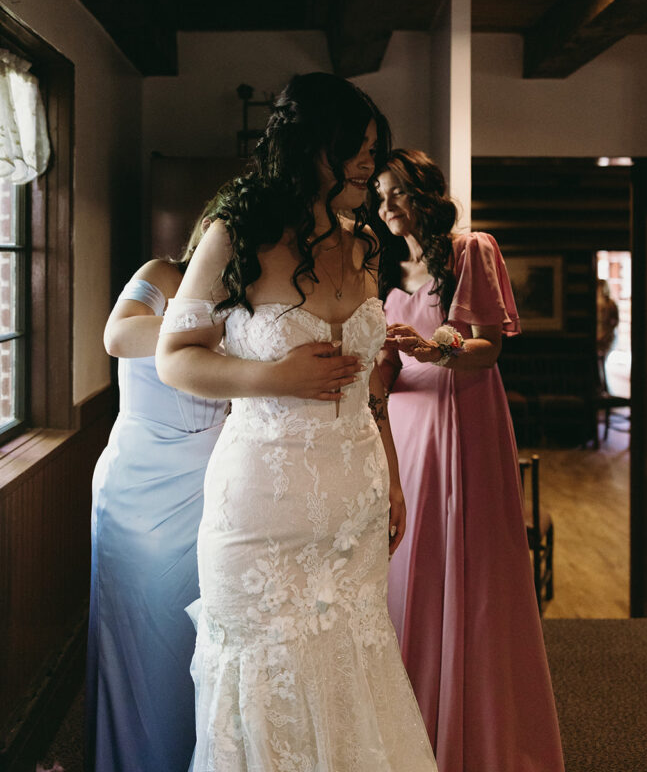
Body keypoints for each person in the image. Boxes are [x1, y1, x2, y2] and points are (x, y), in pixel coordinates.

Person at [156, 73, 437, 772]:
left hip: (355, 503)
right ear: (307, 145)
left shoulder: (365, 245)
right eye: (354, 147)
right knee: (262, 681)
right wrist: (271, 377)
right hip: (261, 507)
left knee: (353, 669)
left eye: (373, 148)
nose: (368, 165)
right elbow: (173, 358)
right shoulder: (237, 234)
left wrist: (394, 478)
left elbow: (372, 387)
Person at [373, 148, 564, 772]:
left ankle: (472, 722)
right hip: (406, 423)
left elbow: (487, 349)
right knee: (410, 561)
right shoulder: (381, 268)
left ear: (424, 191)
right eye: (379, 194)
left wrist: (436, 350)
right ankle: (413, 723)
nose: (386, 205)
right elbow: (386, 367)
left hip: (462, 419)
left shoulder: (470, 250)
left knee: (467, 562)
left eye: (397, 191)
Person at [86, 215, 229, 772]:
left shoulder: (246, 296)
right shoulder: (161, 274)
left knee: (199, 641)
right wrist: (206, 326)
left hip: (211, 488)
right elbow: (118, 335)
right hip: (138, 487)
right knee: (137, 643)